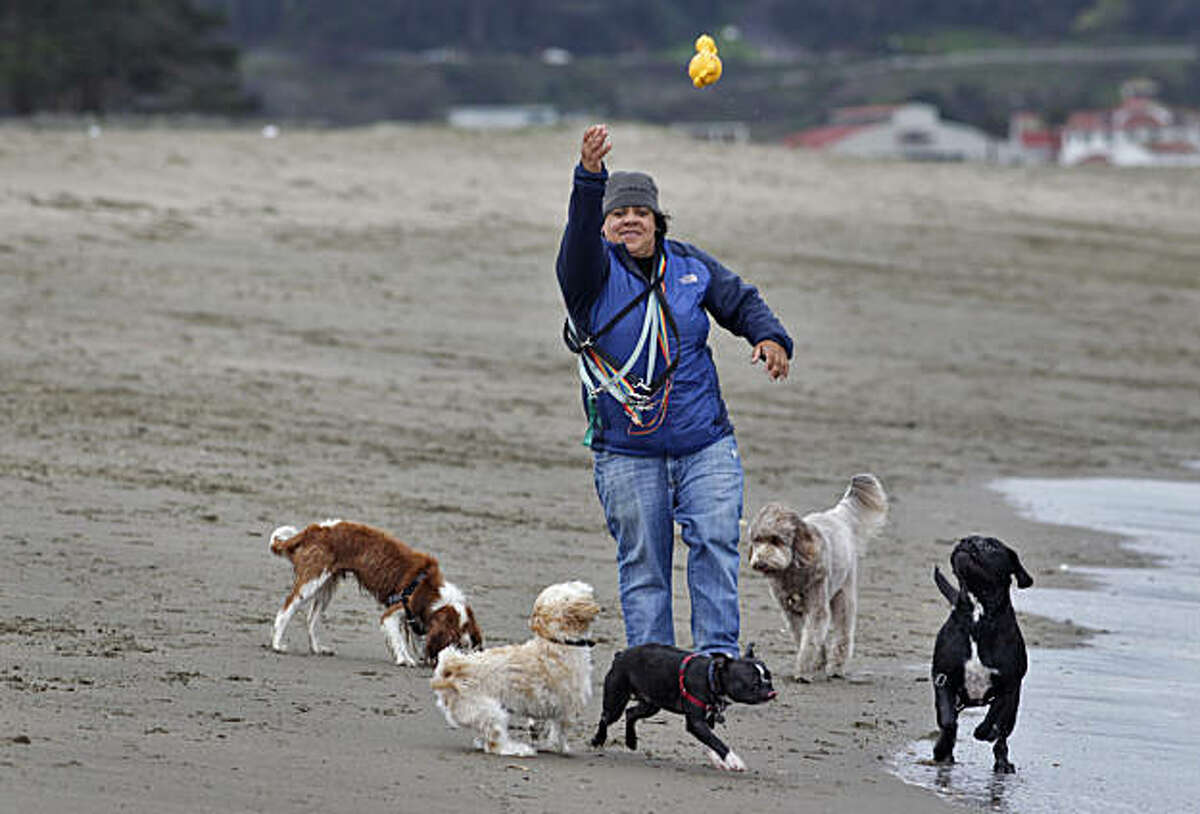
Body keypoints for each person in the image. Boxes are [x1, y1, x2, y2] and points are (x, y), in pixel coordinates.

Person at [555, 123, 792, 657]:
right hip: (626, 450)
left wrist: (771, 338)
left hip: (703, 441)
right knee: (645, 565)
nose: (630, 220)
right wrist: (590, 178)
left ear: (657, 221)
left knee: (715, 546)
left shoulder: (688, 264)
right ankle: (654, 670)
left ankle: (716, 664)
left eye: (640, 212)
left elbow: (741, 301)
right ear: (605, 224)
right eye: (619, 214)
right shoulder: (586, 273)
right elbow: (577, 234)